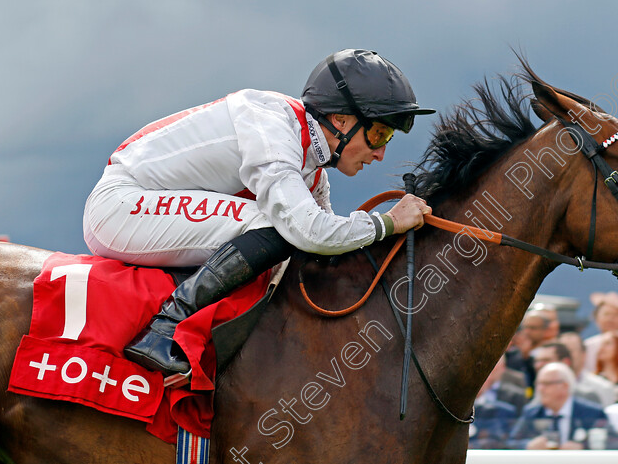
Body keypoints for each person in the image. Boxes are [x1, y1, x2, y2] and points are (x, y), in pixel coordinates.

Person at [82, 49, 435, 376]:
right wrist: (387, 221)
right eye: (379, 133)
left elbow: (325, 246)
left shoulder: (313, 173)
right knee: (278, 226)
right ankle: (165, 330)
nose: (380, 154)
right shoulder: (273, 128)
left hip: (148, 209)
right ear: (341, 120)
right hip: (121, 205)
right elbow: (309, 230)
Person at [508, 362, 608, 450]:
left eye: (546, 384)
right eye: (538, 384)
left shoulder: (592, 413)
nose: (540, 389)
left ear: (565, 386)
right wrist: (528, 445)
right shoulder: (532, 413)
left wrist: (583, 448)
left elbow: (611, 443)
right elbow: (510, 443)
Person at [558, 331, 618, 407]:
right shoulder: (544, 385)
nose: (565, 356)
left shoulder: (603, 388)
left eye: (570, 351)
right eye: (561, 352)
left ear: (583, 354)